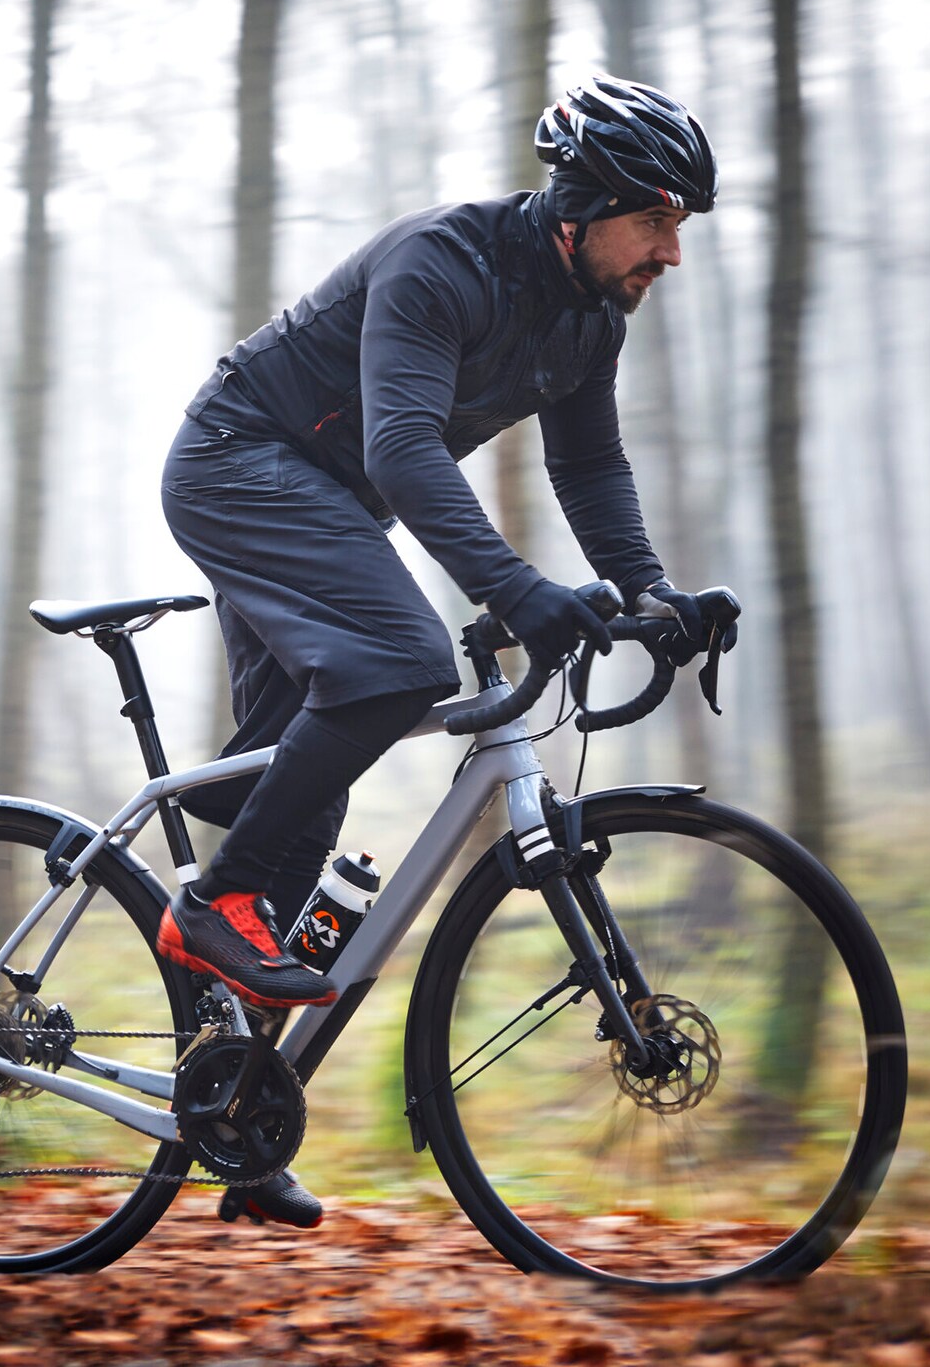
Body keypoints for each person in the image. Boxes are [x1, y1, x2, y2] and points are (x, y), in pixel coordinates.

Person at [154, 75, 726, 1228]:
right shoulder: (439, 264)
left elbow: (590, 470)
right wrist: (513, 591)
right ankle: (209, 903)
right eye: (657, 221)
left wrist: (649, 591)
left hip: (324, 499)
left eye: (679, 229)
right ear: (585, 202)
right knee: (397, 662)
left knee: (295, 798)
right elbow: (405, 448)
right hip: (238, 462)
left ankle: (232, 1116)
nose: (670, 253)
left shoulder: (587, 317)